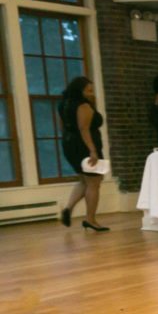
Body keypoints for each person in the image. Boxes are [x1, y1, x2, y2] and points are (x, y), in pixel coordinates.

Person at [59, 76, 108, 231]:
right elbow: (84, 129)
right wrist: (92, 150)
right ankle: (91, 219)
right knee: (94, 182)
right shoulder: (83, 106)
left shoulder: (63, 104)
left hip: (69, 143)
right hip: (84, 146)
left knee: (84, 180)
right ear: (79, 90)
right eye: (88, 90)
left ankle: (68, 208)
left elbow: (66, 126)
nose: (91, 93)